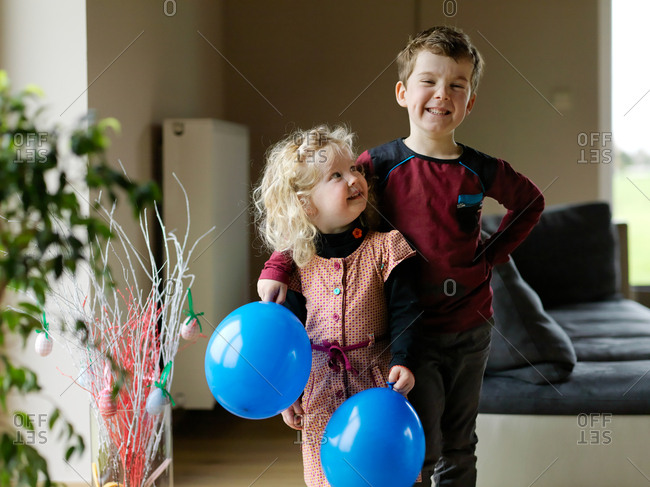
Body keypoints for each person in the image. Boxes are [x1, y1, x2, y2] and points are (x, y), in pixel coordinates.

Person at [258, 26, 546, 487]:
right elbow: (307, 215)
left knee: (460, 443)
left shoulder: (480, 169)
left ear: (469, 102)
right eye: (428, 81)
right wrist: (277, 264)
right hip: (409, 334)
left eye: (457, 85)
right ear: (402, 92)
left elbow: (530, 202)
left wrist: (489, 258)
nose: (441, 94)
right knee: (419, 449)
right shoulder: (376, 166)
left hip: (471, 327)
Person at [254, 125, 421, 487]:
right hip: (320, 393)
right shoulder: (299, 263)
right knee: (327, 476)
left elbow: (407, 312)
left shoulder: (386, 248)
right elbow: (288, 334)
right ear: (305, 204)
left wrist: (404, 360)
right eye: (336, 175)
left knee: (379, 472)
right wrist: (287, 393)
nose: (353, 179)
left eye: (355, 170)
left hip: (376, 387)